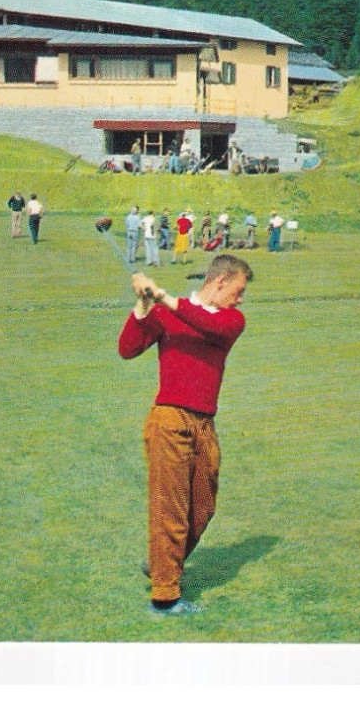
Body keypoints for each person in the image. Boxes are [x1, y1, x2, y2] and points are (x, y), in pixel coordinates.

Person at [119, 254, 254, 616]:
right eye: (238, 290)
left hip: (204, 425)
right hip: (169, 420)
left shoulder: (231, 320)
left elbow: (206, 326)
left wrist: (162, 297)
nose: (241, 298)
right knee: (171, 508)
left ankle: (161, 560)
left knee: (203, 506)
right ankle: (165, 597)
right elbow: (128, 349)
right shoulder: (167, 312)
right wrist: (144, 304)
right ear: (221, 280)